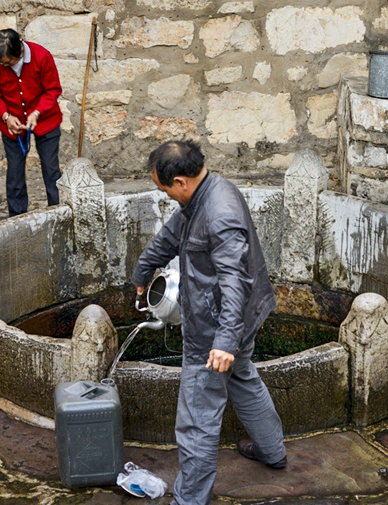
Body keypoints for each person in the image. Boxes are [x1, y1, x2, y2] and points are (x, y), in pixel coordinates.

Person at [131, 140, 287, 505]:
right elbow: (170, 236)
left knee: (197, 420)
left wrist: (225, 342)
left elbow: (235, 280)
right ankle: (272, 451)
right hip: (236, 319)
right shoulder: (202, 194)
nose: (166, 196)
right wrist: (142, 272)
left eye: (165, 189)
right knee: (244, 379)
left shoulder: (220, 214)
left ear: (181, 181)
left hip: (216, 328)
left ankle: (188, 500)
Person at [0, 28, 63, 217]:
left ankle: (58, 213)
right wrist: (5, 115)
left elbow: (53, 90)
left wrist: (37, 112)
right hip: (12, 124)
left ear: (20, 49)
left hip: (46, 120)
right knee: (15, 174)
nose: (8, 66)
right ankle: (17, 218)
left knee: (51, 171)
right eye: (4, 64)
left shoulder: (42, 56)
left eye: (11, 62)